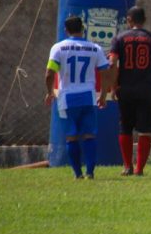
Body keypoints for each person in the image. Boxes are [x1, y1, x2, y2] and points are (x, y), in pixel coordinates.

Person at [108, 6, 151, 176]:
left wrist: (114, 84)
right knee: (145, 129)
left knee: (125, 127)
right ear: (144, 20)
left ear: (129, 20)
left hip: (125, 89)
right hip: (145, 90)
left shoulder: (119, 39)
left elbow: (112, 63)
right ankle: (139, 169)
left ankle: (127, 166)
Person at [45, 15, 112, 179]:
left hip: (67, 98)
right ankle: (90, 172)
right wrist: (103, 95)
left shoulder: (58, 48)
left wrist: (49, 92)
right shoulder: (95, 48)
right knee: (89, 134)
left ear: (66, 30)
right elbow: (105, 73)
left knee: (71, 136)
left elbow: (49, 74)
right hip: (88, 97)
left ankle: (77, 174)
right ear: (83, 29)